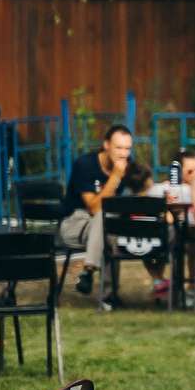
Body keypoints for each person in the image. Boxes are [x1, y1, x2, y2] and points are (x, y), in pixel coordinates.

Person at [58, 124, 137, 304]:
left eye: (128, 148)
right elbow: (93, 208)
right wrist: (115, 177)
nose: (124, 154)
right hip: (75, 222)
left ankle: (89, 275)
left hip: (102, 225)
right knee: (104, 218)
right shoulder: (85, 165)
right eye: (119, 148)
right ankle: (109, 294)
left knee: (109, 230)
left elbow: (141, 188)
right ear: (106, 145)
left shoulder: (127, 165)